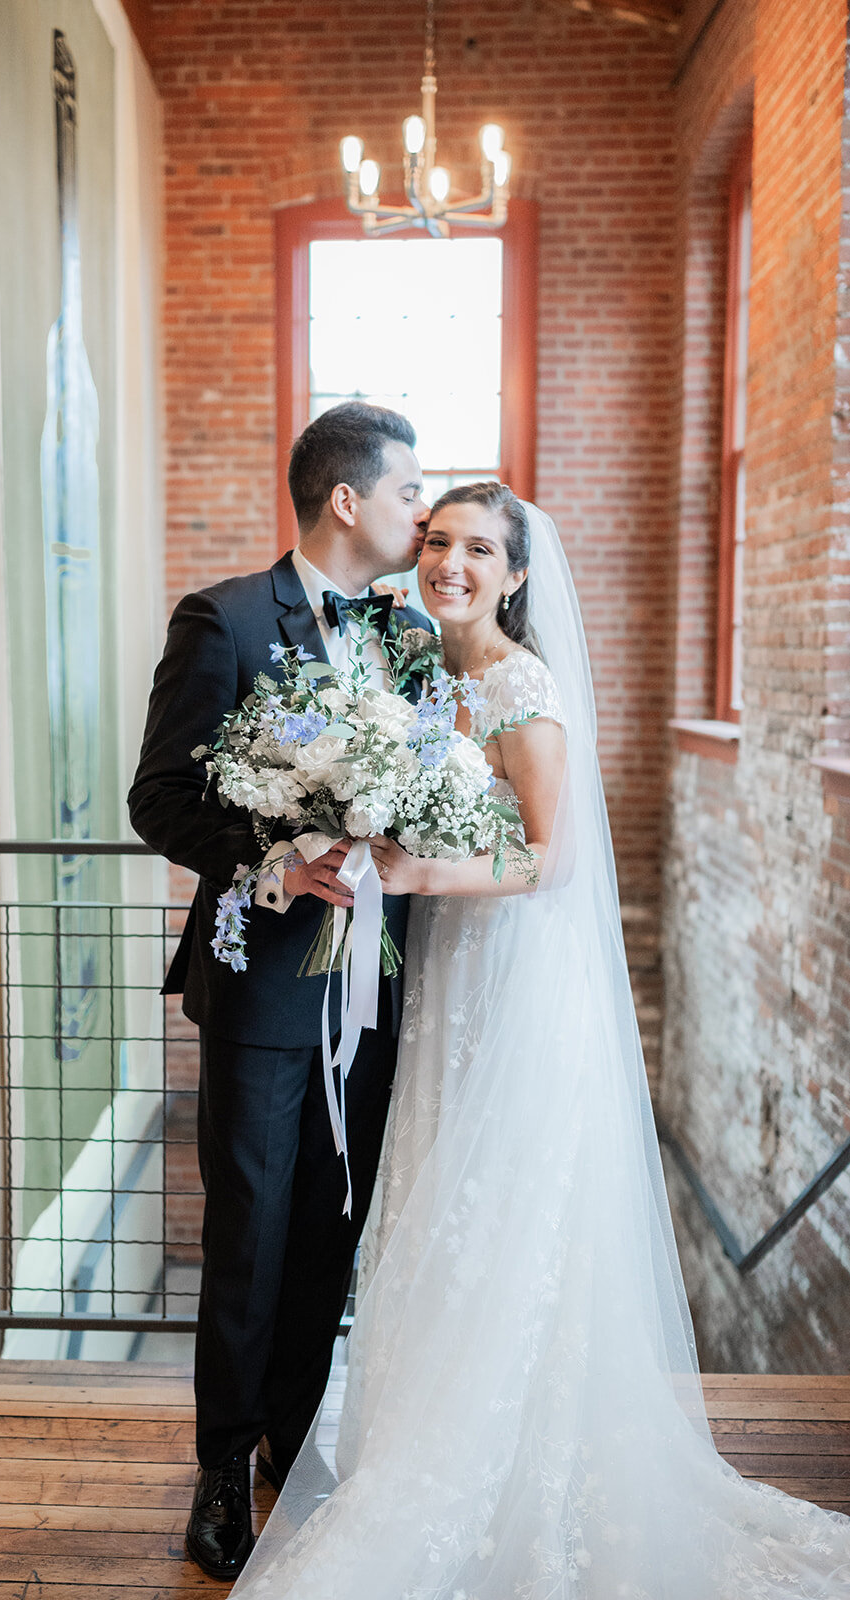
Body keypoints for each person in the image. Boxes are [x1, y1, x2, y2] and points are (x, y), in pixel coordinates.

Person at [230, 482, 850, 1598]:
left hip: (516, 981)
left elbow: (550, 859)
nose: (449, 562)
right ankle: (431, 1435)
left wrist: (417, 870)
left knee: (508, 1210)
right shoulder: (418, 676)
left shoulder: (522, 685)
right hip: (445, 980)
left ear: (516, 575)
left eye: (477, 549)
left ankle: (517, 1465)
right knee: (435, 1193)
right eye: (436, 542)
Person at [127, 401, 430, 1581]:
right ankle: (217, 1473)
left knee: (329, 1230)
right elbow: (160, 797)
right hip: (261, 992)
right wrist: (273, 861)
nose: (422, 510)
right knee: (249, 1235)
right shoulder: (226, 620)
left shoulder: (408, 641)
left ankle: (292, 1446)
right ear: (347, 501)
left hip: (374, 988)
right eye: (411, 492)